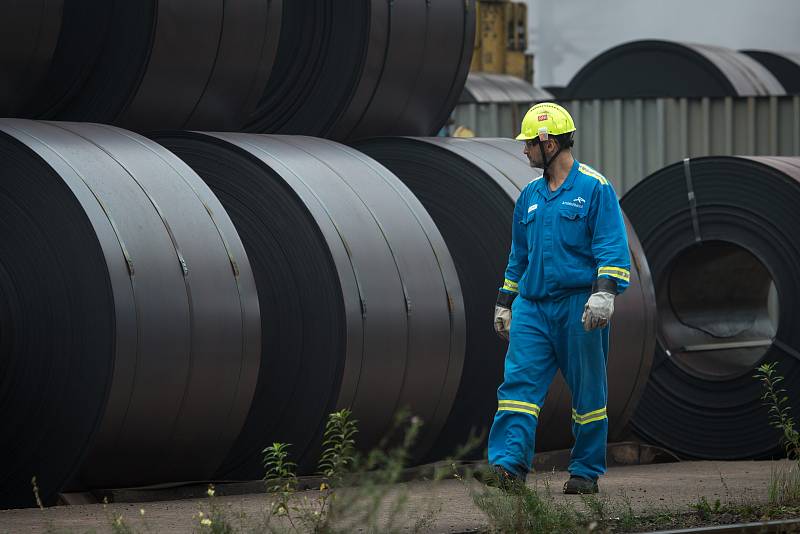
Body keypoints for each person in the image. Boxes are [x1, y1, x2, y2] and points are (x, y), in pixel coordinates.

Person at [488, 102, 631, 494]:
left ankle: (585, 471)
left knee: (588, 393)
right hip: (533, 308)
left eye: (529, 143)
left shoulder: (594, 189)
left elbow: (612, 247)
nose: (524, 151)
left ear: (548, 143)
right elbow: (518, 256)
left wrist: (604, 294)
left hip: (578, 307)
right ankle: (508, 467)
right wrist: (505, 301)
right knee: (518, 388)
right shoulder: (529, 197)